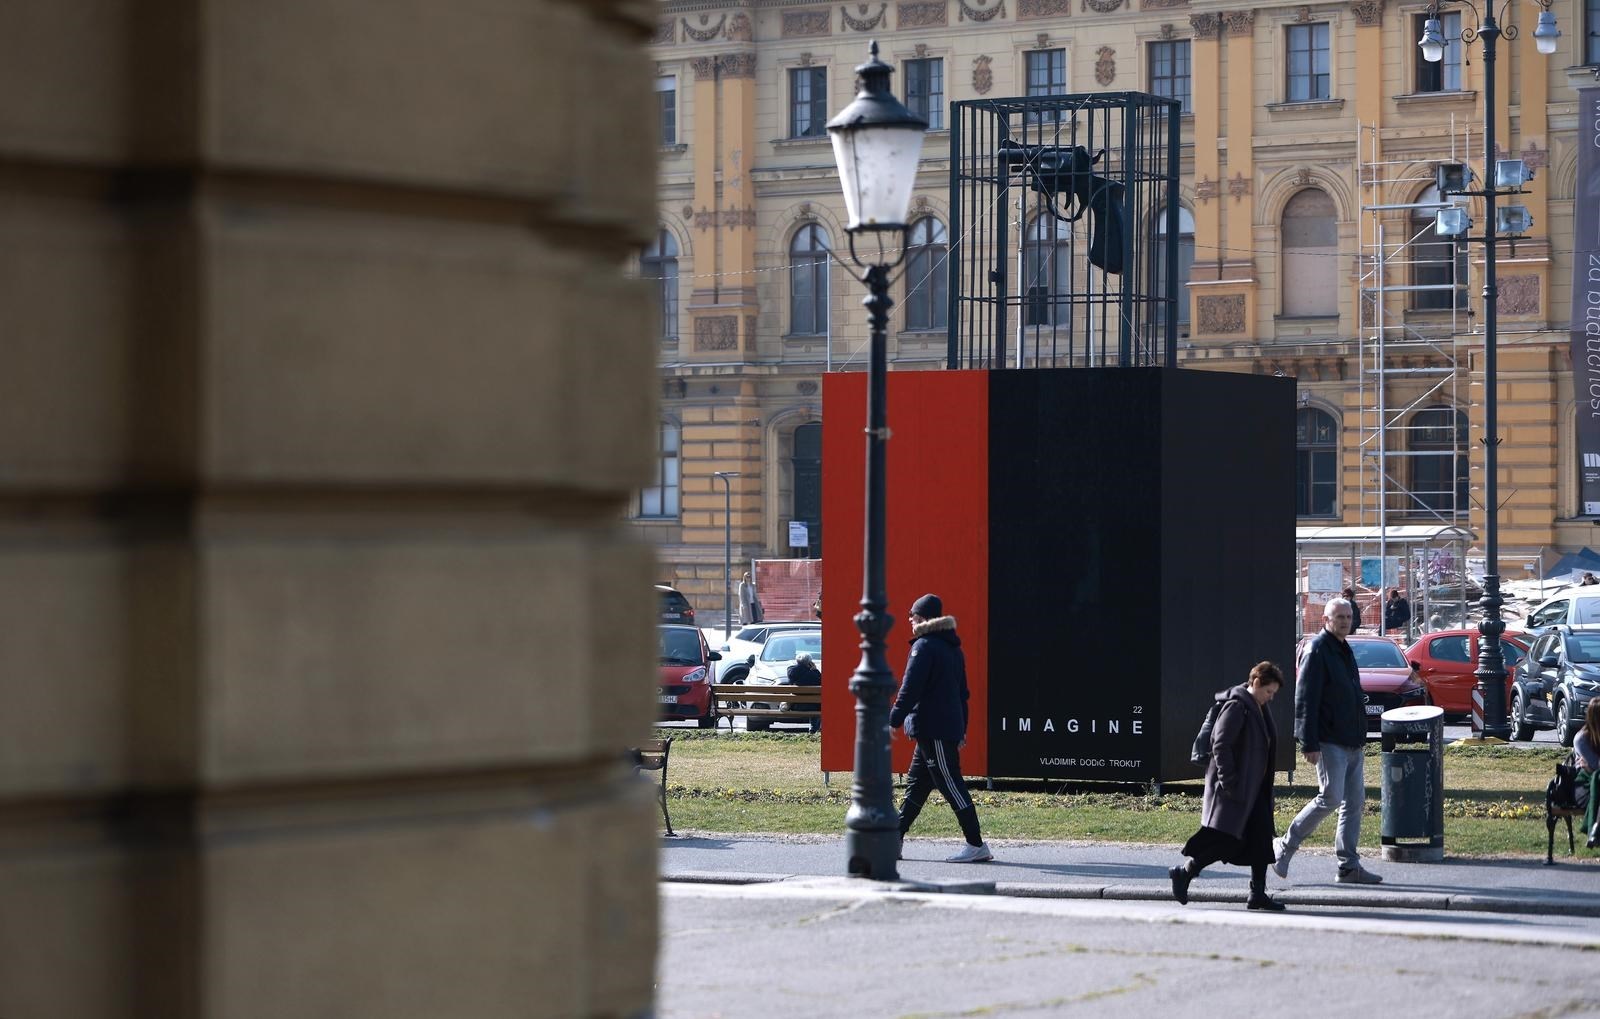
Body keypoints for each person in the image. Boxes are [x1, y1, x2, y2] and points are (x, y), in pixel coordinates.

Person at [1272, 596, 1384, 884]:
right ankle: (1284, 846)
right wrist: (1308, 742)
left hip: (1352, 740)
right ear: (1326, 620)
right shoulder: (1317, 649)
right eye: (1339, 617)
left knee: (1354, 802)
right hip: (1329, 740)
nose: (1345, 622)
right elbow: (1305, 699)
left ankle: (1348, 867)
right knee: (1331, 797)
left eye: (1348, 617)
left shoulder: (1343, 649)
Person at [1170, 662, 1286, 912]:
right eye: (1269, 691)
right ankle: (1185, 872)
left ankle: (1257, 894)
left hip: (1254, 790)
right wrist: (1229, 782)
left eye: (1274, 693)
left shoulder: (1257, 707)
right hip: (1234, 790)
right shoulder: (1237, 707)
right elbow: (1220, 745)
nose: (1271, 697)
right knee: (1229, 842)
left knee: (1261, 841)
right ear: (1256, 683)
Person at [891, 593, 991, 863]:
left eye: (912, 617)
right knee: (917, 784)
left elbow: (910, 689)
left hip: (932, 727)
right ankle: (894, 839)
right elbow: (963, 695)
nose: (909, 621)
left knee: (950, 784)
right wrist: (963, 729)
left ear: (922, 619)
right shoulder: (952, 648)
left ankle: (976, 844)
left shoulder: (923, 647)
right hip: (940, 728)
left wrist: (892, 720)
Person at [1575, 698, 1600, 848]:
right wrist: (1594, 769)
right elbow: (1596, 764)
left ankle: (1595, 830)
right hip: (1584, 785)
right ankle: (1595, 830)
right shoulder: (1582, 739)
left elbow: (1595, 766)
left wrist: (1594, 768)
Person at [787, 651, 822, 733]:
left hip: (795, 706)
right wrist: (815, 670)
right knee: (817, 703)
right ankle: (813, 729)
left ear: (797, 661)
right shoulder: (814, 674)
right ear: (810, 663)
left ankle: (813, 729)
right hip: (813, 707)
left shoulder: (791, 671)